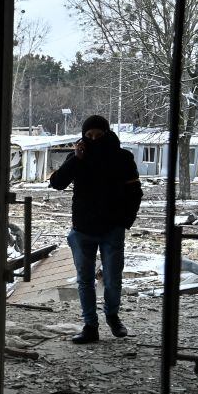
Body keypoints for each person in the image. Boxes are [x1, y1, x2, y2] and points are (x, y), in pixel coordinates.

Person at [49, 115, 143, 344]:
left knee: (112, 278)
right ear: (83, 137)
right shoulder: (78, 157)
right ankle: (90, 326)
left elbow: (135, 193)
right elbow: (57, 183)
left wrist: (124, 221)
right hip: (82, 229)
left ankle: (112, 315)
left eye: (98, 135)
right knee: (85, 280)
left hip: (112, 228)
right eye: (88, 136)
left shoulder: (122, 158)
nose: (93, 139)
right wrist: (76, 160)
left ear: (107, 134)